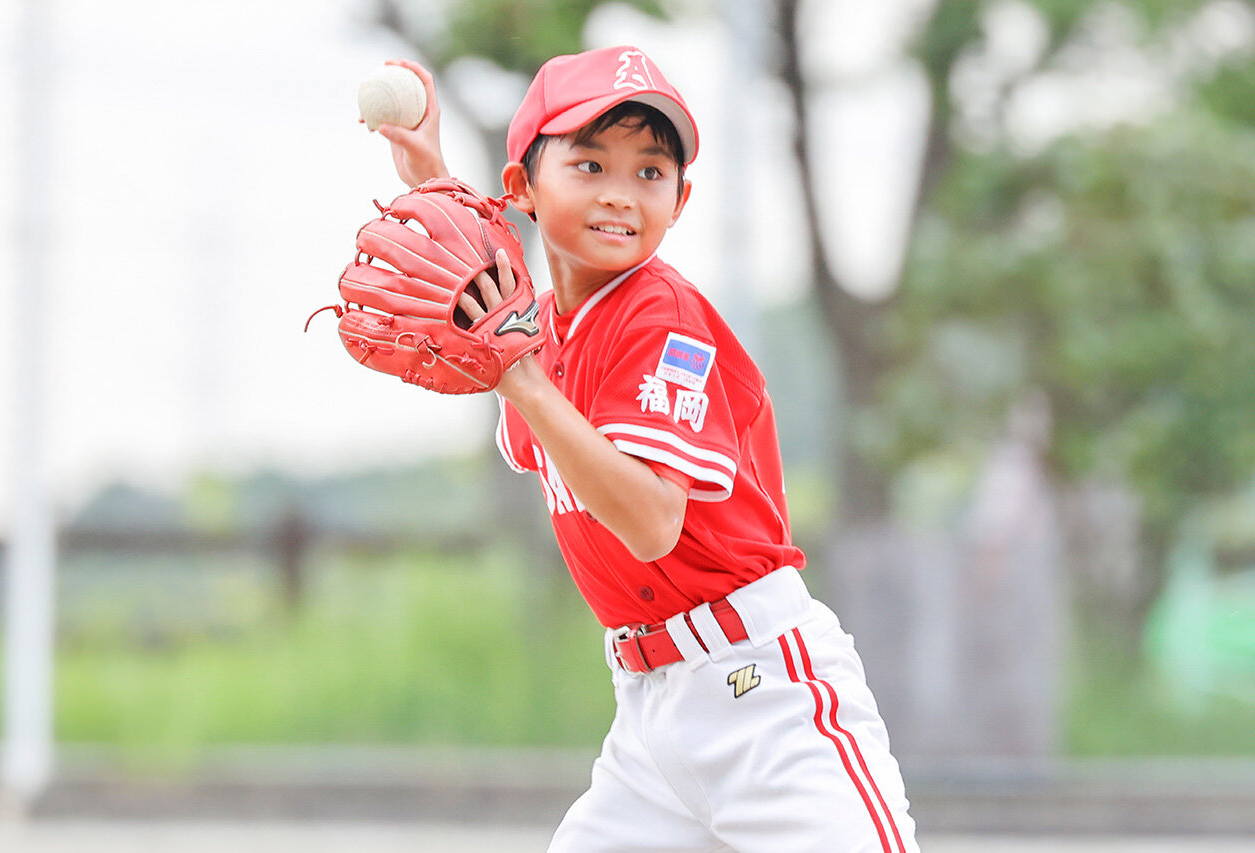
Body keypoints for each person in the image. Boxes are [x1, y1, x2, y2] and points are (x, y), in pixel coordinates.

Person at [377, 45, 920, 852]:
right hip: (650, 715)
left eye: (649, 173)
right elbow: (485, 272)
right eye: (590, 164)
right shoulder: (543, 327)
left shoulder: (656, 314)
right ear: (523, 188)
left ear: (681, 198)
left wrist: (523, 380)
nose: (620, 196)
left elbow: (653, 521)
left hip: (764, 697)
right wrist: (425, 167)